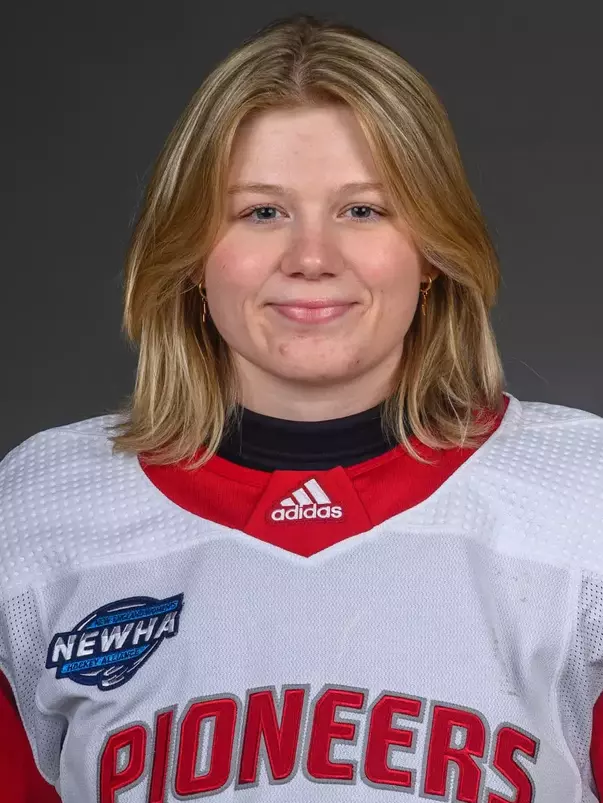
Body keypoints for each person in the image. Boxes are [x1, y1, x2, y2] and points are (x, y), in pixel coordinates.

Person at [0, 12, 601, 803]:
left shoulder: (581, 500)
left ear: (430, 252)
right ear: (189, 254)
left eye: (364, 209)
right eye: (260, 211)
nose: (311, 258)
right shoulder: (37, 508)